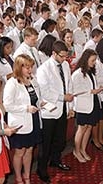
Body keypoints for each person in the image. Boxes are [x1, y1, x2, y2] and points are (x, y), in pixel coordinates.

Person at [36, 41, 74, 183]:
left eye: (66, 56)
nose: (65, 59)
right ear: (54, 53)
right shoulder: (44, 69)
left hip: (63, 108)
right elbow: (44, 92)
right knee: (46, 143)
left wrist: (70, 106)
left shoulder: (65, 65)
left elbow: (69, 84)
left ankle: (56, 160)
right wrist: (62, 97)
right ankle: (42, 169)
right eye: (62, 56)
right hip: (49, 111)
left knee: (60, 139)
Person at [3, 54, 43, 184]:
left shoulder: (32, 80)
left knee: (30, 150)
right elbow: (7, 105)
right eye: (27, 67)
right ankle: (19, 178)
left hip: (33, 119)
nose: (30, 70)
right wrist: (25, 108)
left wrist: (41, 104)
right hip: (20, 122)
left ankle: (27, 175)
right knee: (20, 152)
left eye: (31, 67)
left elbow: (36, 97)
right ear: (19, 68)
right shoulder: (12, 83)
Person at [72, 49, 103, 163]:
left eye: (95, 60)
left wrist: (99, 88)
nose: (94, 62)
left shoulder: (91, 72)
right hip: (84, 104)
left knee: (89, 127)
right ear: (86, 60)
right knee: (82, 128)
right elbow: (75, 90)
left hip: (93, 102)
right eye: (92, 60)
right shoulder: (77, 74)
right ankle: (76, 150)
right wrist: (91, 91)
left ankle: (83, 149)